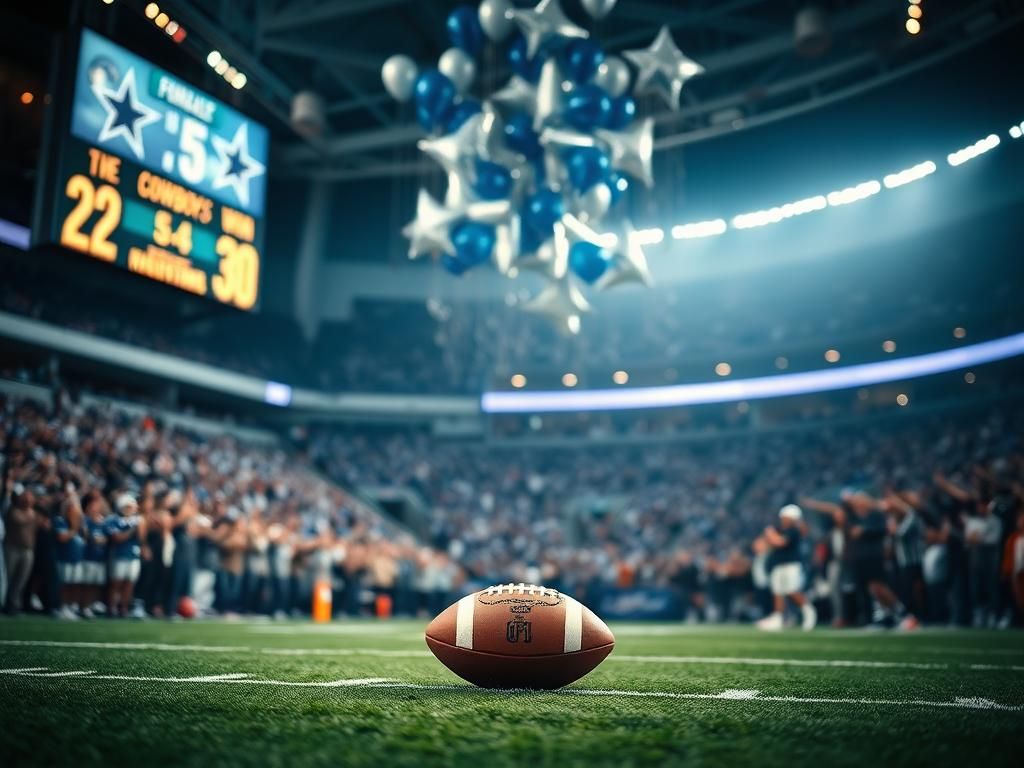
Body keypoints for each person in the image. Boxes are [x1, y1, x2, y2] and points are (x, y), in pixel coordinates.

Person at [847, 492, 919, 630]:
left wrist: (865, 531)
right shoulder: (855, 517)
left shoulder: (876, 515)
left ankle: (904, 614)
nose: (856, 503)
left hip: (876, 555)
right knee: (873, 589)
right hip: (862, 558)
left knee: (880, 587)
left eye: (859, 500)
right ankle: (886, 618)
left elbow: (885, 530)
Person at [757, 504, 816, 631]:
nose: (783, 519)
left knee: (792, 590)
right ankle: (777, 618)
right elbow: (759, 546)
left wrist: (770, 535)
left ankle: (809, 612)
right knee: (777, 592)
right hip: (778, 565)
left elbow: (780, 542)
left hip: (790, 565)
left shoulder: (793, 531)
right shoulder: (781, 530)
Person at [106, 494, 144, 618]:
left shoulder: (138, 521)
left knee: (129, 584)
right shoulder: (114, 520)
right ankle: (112, 608)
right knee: (116, 583)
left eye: (132, 507)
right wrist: (133, 529)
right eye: (127, 507)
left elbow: (142, 538)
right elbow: (118, 538)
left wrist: (140, 527)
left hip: (133, 555)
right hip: (119, 555)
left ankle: (124, 608)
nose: (130, 509)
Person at [53, 485, 86, 619]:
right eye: (73, 510)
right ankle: (61, 607)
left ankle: (71, 606)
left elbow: (85, 537)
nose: (75, 513)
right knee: (64, 584)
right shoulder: (60, 521)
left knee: (74, 583)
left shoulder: (80, 525)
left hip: (76, 559)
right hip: (64, 559)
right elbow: (62, 538)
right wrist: (74, 527)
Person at [4, 485, 38, 614]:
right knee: (8, 578)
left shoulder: (33, 513)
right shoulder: (13, 511)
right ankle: (5, 603)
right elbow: (20, 520)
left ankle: (14, 605)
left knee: (21, 581)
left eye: (30, 497)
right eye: (25, 497)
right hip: (12, 549)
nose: (28, 500)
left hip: (28, 551)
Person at [81, 491, 109, 618]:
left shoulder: (103, 521)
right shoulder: (85, 520)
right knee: (87, 584)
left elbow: (107, 537)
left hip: (100, 557)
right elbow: (85, 536)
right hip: (88, 556)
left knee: (95, 584)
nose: (97, 507)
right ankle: (83, 606)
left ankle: (91, 605)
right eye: (94, 504)